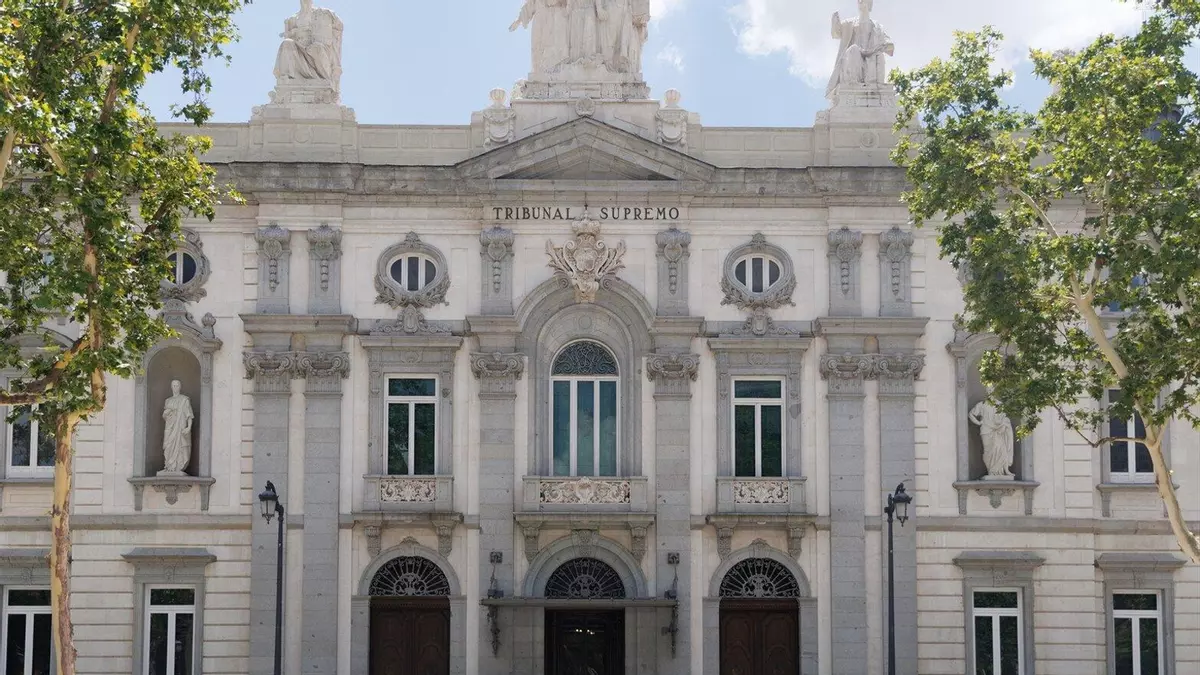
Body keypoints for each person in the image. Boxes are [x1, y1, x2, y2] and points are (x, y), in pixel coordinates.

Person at [826, 0, 894, 98]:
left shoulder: (877, 26)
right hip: (853, 58)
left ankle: (877, 87)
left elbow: (889, 45)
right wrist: (835, 21)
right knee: (854, 50)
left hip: (870, 56)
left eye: (863, 1)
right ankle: (854, 83)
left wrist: (885, 46)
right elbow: (836, 33)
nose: (860, 2)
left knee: (879, 55)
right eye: (859, 1)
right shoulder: (850, 23)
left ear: (869, 3)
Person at [969, 400, 1015, 478]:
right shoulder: (982, 404)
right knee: (988, 451)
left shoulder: (999, 404)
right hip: (986, 430)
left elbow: (1003, 417)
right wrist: (978, 422)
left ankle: (1004, 470)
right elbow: (971, 414)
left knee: (1001, 449)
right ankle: (991, 471)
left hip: (998, 429)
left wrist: (1003, 423)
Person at [161, 380, 194, 475]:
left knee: (180, 446)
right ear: (171, 387)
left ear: (180, 387)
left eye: (177, 385)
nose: (175, 387)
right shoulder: (168, 401)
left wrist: (189, 427)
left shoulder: (184, 400)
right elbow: (165, 416)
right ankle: (169, 466)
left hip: (180, 427)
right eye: (174, 385)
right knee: (167, 446)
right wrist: (165, 413)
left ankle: (177, 466)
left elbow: (189, 415)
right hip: (169, 428)